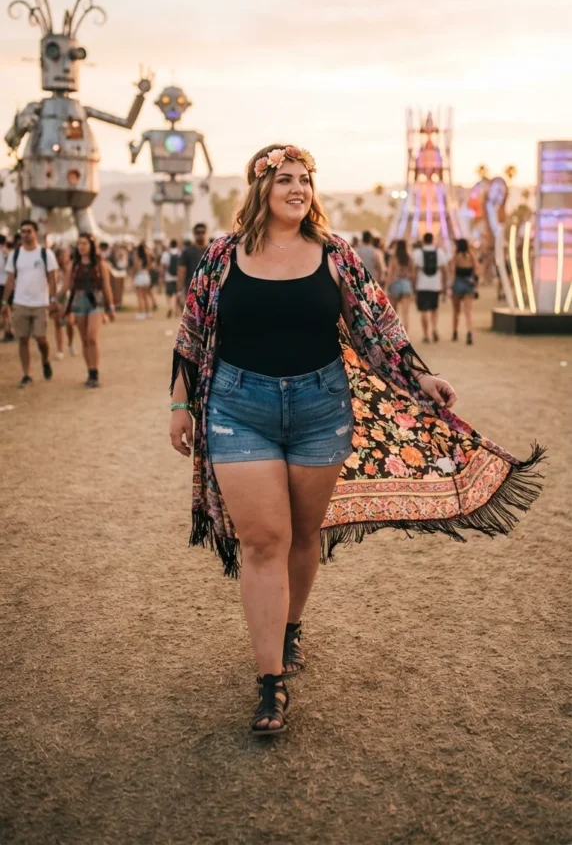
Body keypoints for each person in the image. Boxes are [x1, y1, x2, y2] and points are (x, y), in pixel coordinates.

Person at [170, 143, 545, 738]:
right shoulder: (221, 256)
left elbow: (378, 326)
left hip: (321, 409)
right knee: (264, 540)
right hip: (237, 409)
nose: (299, 189)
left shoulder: (335, 254)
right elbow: (192, 331)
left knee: (301, 532)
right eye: (286, 179)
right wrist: (179, 405)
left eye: (306, 180)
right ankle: (270, 683)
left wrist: (420, 375)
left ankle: (291, 626)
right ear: (259, 188)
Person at [1, 220, 58, 387]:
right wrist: (5, 301)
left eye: (29, 231)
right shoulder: (15, 254)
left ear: (36, 233)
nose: (25, 234)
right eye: (23, 231)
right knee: (23, 340)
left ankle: (45, 360)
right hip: (20, 302)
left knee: (41, 338)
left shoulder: (45, 254)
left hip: (40, 303)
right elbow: (10, 280)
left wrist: (53, 300)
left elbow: (53, 279)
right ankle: (27, 374)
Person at [65, 233, 114, 387]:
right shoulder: (73, 265)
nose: (81, 247)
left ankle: (95, 371)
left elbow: (106, 286)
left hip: (96, 302)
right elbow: (66, 287)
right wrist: (55, 301)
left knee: (92, 337)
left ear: (91, 246)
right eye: (79, 244)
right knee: (84, 340)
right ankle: (89, 372)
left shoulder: (99, 264)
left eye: (85, 243)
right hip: (78, 303)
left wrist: (110, 306)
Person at [412, 232, 448, 343]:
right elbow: (444, 271)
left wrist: (414, 286)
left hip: (422, 285)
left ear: (423, 240)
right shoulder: (440, 252)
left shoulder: (417, 253)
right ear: (432, 240)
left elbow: (414, 272)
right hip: (435, 285)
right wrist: (445, 286)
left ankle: (426, 334)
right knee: (434, 309)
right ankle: (434, 328)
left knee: (424, 311)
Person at [450, 238, 479, 345]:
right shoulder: (471, 256)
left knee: (456, 311)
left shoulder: (456, 257)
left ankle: (455, 331)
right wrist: (476, 284)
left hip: (458, 283)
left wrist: (450, 286)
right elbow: (476, 268)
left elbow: (452, 272)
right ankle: (469, 332)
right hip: (469, 284)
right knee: (468, 311)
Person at [51, 245, 75, 359]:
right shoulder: (54, 269)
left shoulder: (72, 268)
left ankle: (70, 343)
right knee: (58, 323)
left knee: (70, 322)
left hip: (69, 297)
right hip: (57, 296)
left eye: (66, 255)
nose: (63, 258)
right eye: (61, 255)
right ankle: (60, 349)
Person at [387, 239, 415, 330]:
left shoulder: (394, 258)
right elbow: (412, 273)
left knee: (395, 313)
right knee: (405, 314)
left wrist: (387, 286)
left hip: (395, 284)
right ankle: (406, 336)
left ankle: (397, 334)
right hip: (406, 285)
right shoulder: (409, 258)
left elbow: (390, 273)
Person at [177, 223, 208, 305]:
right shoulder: (187, 252)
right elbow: (181, 270)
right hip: (191, 289)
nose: (201, 234)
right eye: (198, 232)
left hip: (208, 290)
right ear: (194, 234)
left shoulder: (211, 251)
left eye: (203, 232)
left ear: (206, 233)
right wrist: (180, 290)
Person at [160, 239, 180, 318]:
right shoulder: (180, 253)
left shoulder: (166, 254)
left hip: (169, 277)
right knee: (176, 294)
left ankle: (170, 306)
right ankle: (176, 310)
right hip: (178, 277)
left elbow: (163, 266)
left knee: (168, 294)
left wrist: (162, 276)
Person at [0, 234, 14, 342]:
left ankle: (8, 330)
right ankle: (9, 330)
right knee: (8, 308)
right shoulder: (9, 254)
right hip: (9, 284)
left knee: (4, 309)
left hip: (1, 285)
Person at [133, 243, 153, 319]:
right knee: (145, 296)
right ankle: (147, 312)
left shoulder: (137, 256)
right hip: (146, 275)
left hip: (139, 276)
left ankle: (141, 313)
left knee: (139, 296)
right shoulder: (147, 256)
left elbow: (135, 267)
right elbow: (149, 266)